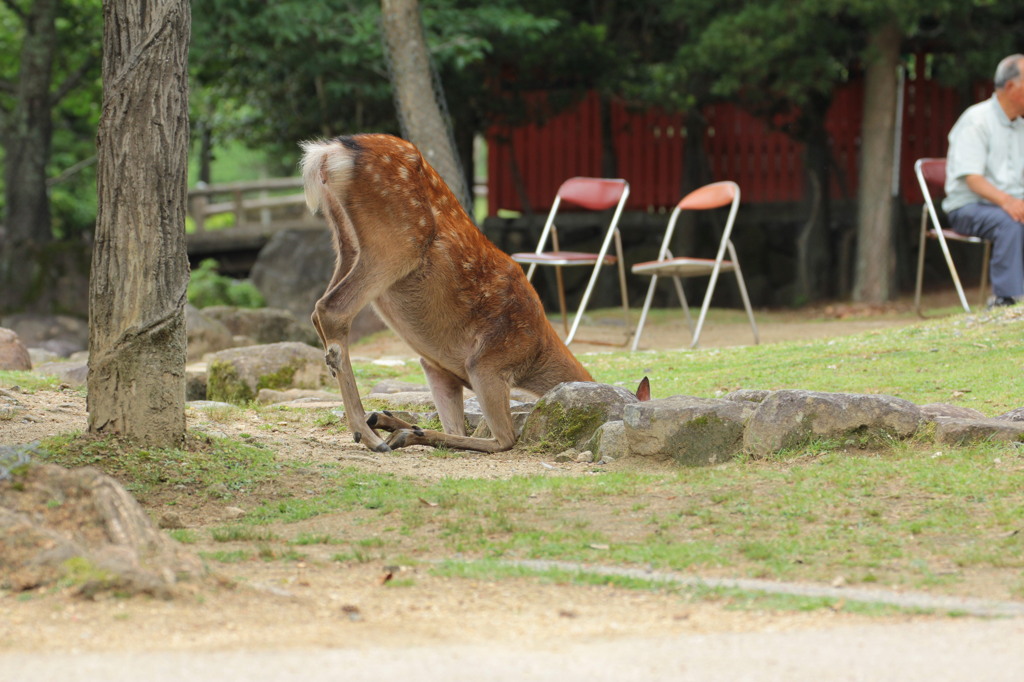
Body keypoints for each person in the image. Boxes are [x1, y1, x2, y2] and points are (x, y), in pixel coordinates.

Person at [943, 53, 1024, 308]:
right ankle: (1006, 299)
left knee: (1012, 216)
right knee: (1009, 222)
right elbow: (972, 179)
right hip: (969, 206)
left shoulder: (1021, 126)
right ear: (1011, 87)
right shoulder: (976, 120)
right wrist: (1009, 202)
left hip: (1010, 203)